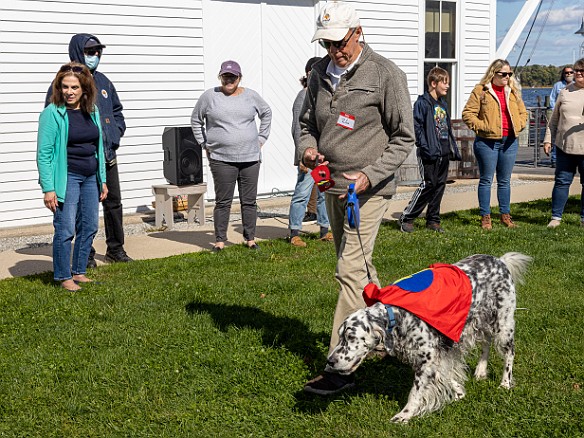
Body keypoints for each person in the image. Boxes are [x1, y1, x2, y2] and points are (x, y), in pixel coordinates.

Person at [299, 1, 415, 395]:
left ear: (357, 32)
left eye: (340, 42)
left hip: (369, 191)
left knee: (348, 271)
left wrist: (370, 175)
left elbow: (404, 138)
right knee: (361, 269)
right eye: (327, 44)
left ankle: (339, 367)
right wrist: (308, 150)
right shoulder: (318, 72)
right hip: (330, 185)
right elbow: (306, 124)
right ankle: (388, 331)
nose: (335, 51)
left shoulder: (386, 74)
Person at [46, 34, 130, 267]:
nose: (95, 56)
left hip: (106, 157)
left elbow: (117, 111)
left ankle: (116, 249)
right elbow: (53, 124)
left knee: (113, 204)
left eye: (98, 52)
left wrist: (115, 133)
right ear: (77, 52)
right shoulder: (64, 83)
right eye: (90, 51)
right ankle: (87, 255)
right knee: (82, 210)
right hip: (77, 162)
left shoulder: (104, 82)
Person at [37, 62, 108, 292]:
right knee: (66, 228)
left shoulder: (92, 111)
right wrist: (48, 188)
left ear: (84, 89)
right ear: (59, 88)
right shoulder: (52, 114)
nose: (69, 92)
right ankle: (63, 276)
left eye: (74, 87)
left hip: (90, 177)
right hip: (66, 178)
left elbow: (98, 147)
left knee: (89, 226)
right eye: (65, 87)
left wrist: (102, 179)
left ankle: (79, 271)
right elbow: (44, 154)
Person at [191, 60, 272, 251]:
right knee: (223, 201)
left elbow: (266, 113)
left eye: (233, 76)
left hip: (250, 158)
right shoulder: (209, 97)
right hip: (221, 159)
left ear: (239, 78)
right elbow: (196, 120)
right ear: (220, 77)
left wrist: (261, 138)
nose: (229, 80)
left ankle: (250, 239)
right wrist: (204, 143)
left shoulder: (251, 96)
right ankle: (219, 241)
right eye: (225, 76)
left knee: (249, 201)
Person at [462, 59, 527, 230]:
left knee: (505, 181)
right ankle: (486, 217)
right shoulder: (481, 91)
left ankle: (505, 215)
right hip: (487, 142)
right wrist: (484, 128)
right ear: (494, 73)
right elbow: (468, 114)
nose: (507, 77)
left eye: (509, 74)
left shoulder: (512, 91)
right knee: (486, 180)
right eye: (503, 74)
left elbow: (523, 112)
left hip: (510, 141)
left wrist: (519, 125)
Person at [399, 67, 461, 233]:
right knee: (428, 184)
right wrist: (424, 145)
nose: (447, 86)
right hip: (429, 152)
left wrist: (451, 147)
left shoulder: (443, 104)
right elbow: (416, 126)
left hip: (443, 151)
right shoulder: (422, 103)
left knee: (439, 185)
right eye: (444, 82)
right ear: (433, 83)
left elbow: (446, 127)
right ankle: (408, 217)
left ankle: (433, 219)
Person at [288, 56, 332, 247]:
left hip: (322, 157)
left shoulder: (320, 94)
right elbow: (298, 128)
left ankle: (324, 230)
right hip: (308, 157)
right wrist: (302, 156)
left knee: (324, 192)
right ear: (308, 74)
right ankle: (294, 233)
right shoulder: (303, 96)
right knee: (302, 194)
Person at [543, 58, 584, 229]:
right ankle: (556, 217)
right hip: (564, 146)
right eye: (576, 71)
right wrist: (547, 139)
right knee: (561, 181)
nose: (578, 74)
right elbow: (554, 120)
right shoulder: (564, 91)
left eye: (582, 71)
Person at [548, 66, 575, 167]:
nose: (568, 74)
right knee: (557, 138)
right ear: (563, 74)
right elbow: (552, 99)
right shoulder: (558, 85)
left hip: (573, 117)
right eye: (566, 73)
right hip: (560, 116)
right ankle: (554, 160)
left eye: (570, 72)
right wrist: (555, 112)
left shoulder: (578, 85)